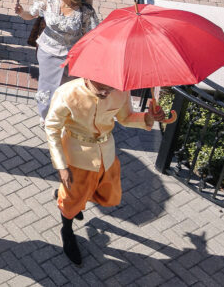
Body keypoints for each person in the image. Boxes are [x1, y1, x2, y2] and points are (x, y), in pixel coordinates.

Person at [46, 77, 173, 265]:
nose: (107, 92)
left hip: (106, 153)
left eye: (111, 88)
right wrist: (61, 166)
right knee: (72, 200)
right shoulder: (67, 93)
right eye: (102, 87)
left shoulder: (120, 91)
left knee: (107, 194)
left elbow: (126, 117)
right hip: (77, 157)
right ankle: (67, 230)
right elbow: (52, 128)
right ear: (88, 77)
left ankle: (67, 195)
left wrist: (148, 118)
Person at [16, 0, 99, 122]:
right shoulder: (49, 1)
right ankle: (46, 115)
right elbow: (31, 14)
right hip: (47, 52)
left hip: (71, 57)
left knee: (66, 89)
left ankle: (62, 117)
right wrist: (22, 12)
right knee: (47, 86)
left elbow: (94, 34)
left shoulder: (85, 11)